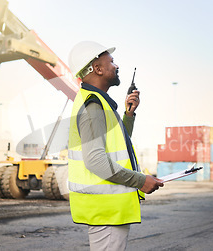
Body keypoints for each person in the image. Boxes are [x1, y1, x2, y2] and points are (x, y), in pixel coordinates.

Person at [67, 41, 164, 251]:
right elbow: (95, 160)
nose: (116, 66)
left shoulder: (100, 103)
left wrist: (129, 114)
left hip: (107, 210)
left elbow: (118, 142)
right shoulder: (94, 105)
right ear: (98, 69)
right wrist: (140, 181)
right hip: (106, 211)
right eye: (111, 62)